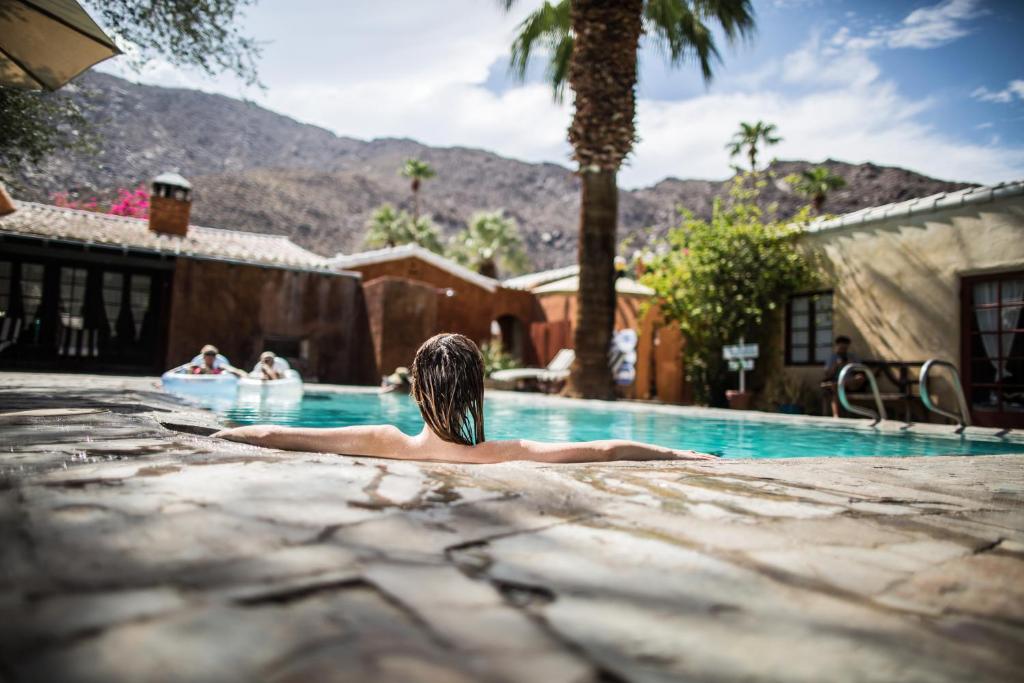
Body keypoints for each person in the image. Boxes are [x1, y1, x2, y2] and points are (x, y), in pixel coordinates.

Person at [215, 333, 717, 464]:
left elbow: (272, 434)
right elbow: (608, 450)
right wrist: (681, 453)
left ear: (413, 390)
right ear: (478, 392)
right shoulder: (508, 453)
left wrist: (216, 433)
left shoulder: (381, 440)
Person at [820, 335, 864, 417]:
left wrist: (851, 364)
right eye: (841, 348)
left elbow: (861, 372)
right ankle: (836, 415)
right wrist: (836, 365)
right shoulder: (832, 358)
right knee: (835, 388)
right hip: (836, 383)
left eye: (845, 348)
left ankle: (842, 384)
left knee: (859, 378)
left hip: (850, 384)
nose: (843, 350)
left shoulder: (852, 357)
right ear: (837, 346)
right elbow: (828, 375)